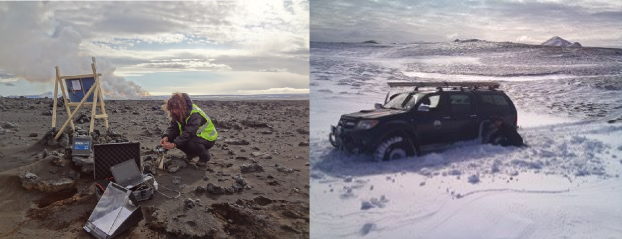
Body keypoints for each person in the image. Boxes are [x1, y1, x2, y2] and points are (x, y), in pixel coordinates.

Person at [160, 92, 218, 166]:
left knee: (191, 142)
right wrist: (166, 137)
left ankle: (204, 157)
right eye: (172, 109)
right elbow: (173, 128)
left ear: (182, 106)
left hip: (208, 138)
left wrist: (174, 144)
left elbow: (188, 133)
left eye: (176, 108)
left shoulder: (195, 114)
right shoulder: (177, 114)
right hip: (195, 135)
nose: (175, 111)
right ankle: (191, 154)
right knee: (178, 139)